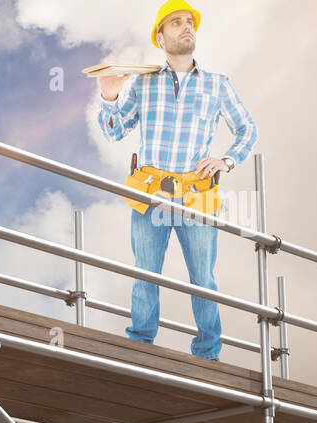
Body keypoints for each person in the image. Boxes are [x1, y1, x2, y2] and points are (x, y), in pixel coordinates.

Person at [96, 0, 258, 361]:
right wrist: (109, 94)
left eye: (190, 22)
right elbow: (115, 131)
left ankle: (207, 355)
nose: (186, 27)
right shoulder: (143, 83)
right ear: (160, 36)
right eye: (176, 23)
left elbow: (247, 129)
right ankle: (139, 348)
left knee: (203, 279)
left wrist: (226, 160)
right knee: (145, 274)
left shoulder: (218, 85)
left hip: (197, 195)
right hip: (150, 193)